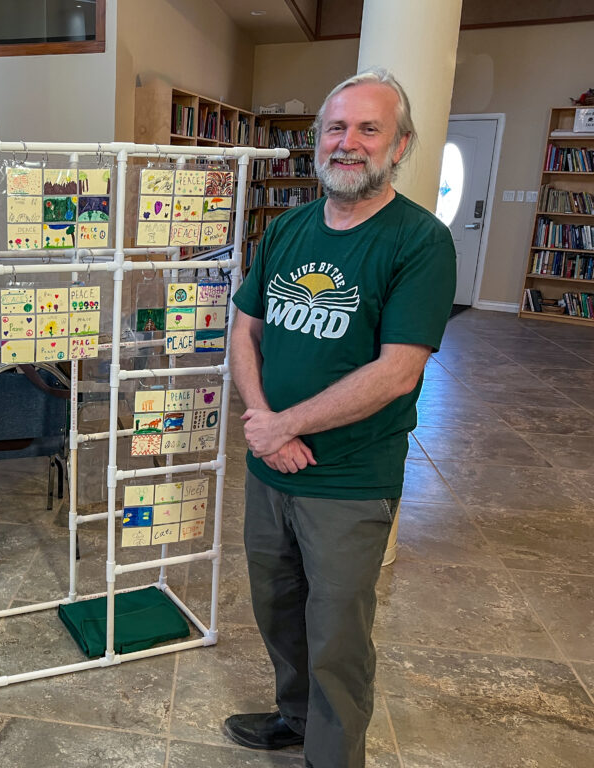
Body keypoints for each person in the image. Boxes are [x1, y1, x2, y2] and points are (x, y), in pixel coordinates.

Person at [224, 69, 456, 767]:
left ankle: (332, 756)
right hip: (271, 466)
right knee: (276, 607)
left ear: (400, 145)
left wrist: (286, 425)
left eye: (368, 129)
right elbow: (245, 329)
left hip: (350, 479)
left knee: (338, 636)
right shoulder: (287, 228)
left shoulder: (419, 241)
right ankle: (296, 719)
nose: (347, 142)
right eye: (335, 127)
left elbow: (398, 370)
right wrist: (264, 420)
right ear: (318, 140)